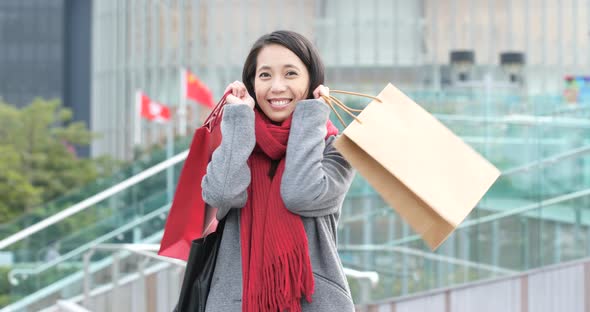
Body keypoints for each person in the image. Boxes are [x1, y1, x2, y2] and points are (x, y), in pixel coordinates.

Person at [201, 30, 355, 312]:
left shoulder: (337, 150)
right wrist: (238, 121)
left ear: (313, 82)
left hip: (314, 303)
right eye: (265, 75)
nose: (277, 87)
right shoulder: (235, 144)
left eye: (291, 74)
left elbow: (301, 194)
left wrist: (311, 117)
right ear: (251, 83)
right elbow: (220, 196)